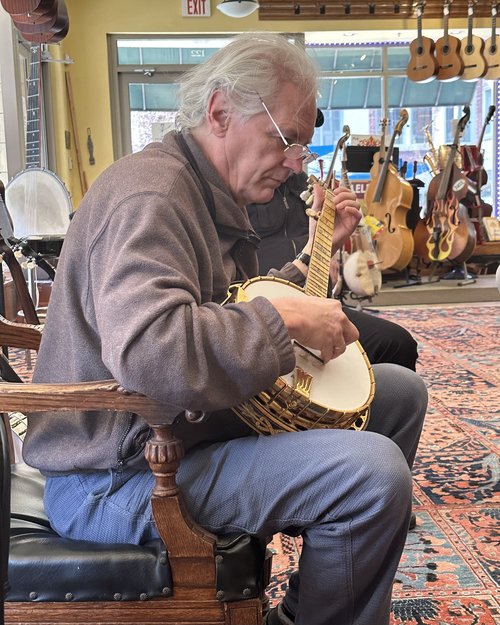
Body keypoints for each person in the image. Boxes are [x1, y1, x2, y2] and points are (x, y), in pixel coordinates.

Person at [24, 33, 427, 625]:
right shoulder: (152, 196)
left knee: (397, 394)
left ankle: (334, 572)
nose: (295, 162)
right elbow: (152, 352)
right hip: (113, 479)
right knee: (372, 474)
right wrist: (286, 317)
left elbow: (229, 305)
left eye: (303, 146)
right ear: (220, 113)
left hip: (170, 435)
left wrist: (314, 260)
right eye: (286, 139)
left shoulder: (199, 191)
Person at [247, 170, 420, 371]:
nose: (296, 163)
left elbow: (314, 238)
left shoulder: (301, 181)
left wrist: (325, 246)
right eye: (288, 144)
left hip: (314, 295)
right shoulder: (239, 188)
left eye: (304, 148)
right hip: (267, 305)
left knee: (397, 343)